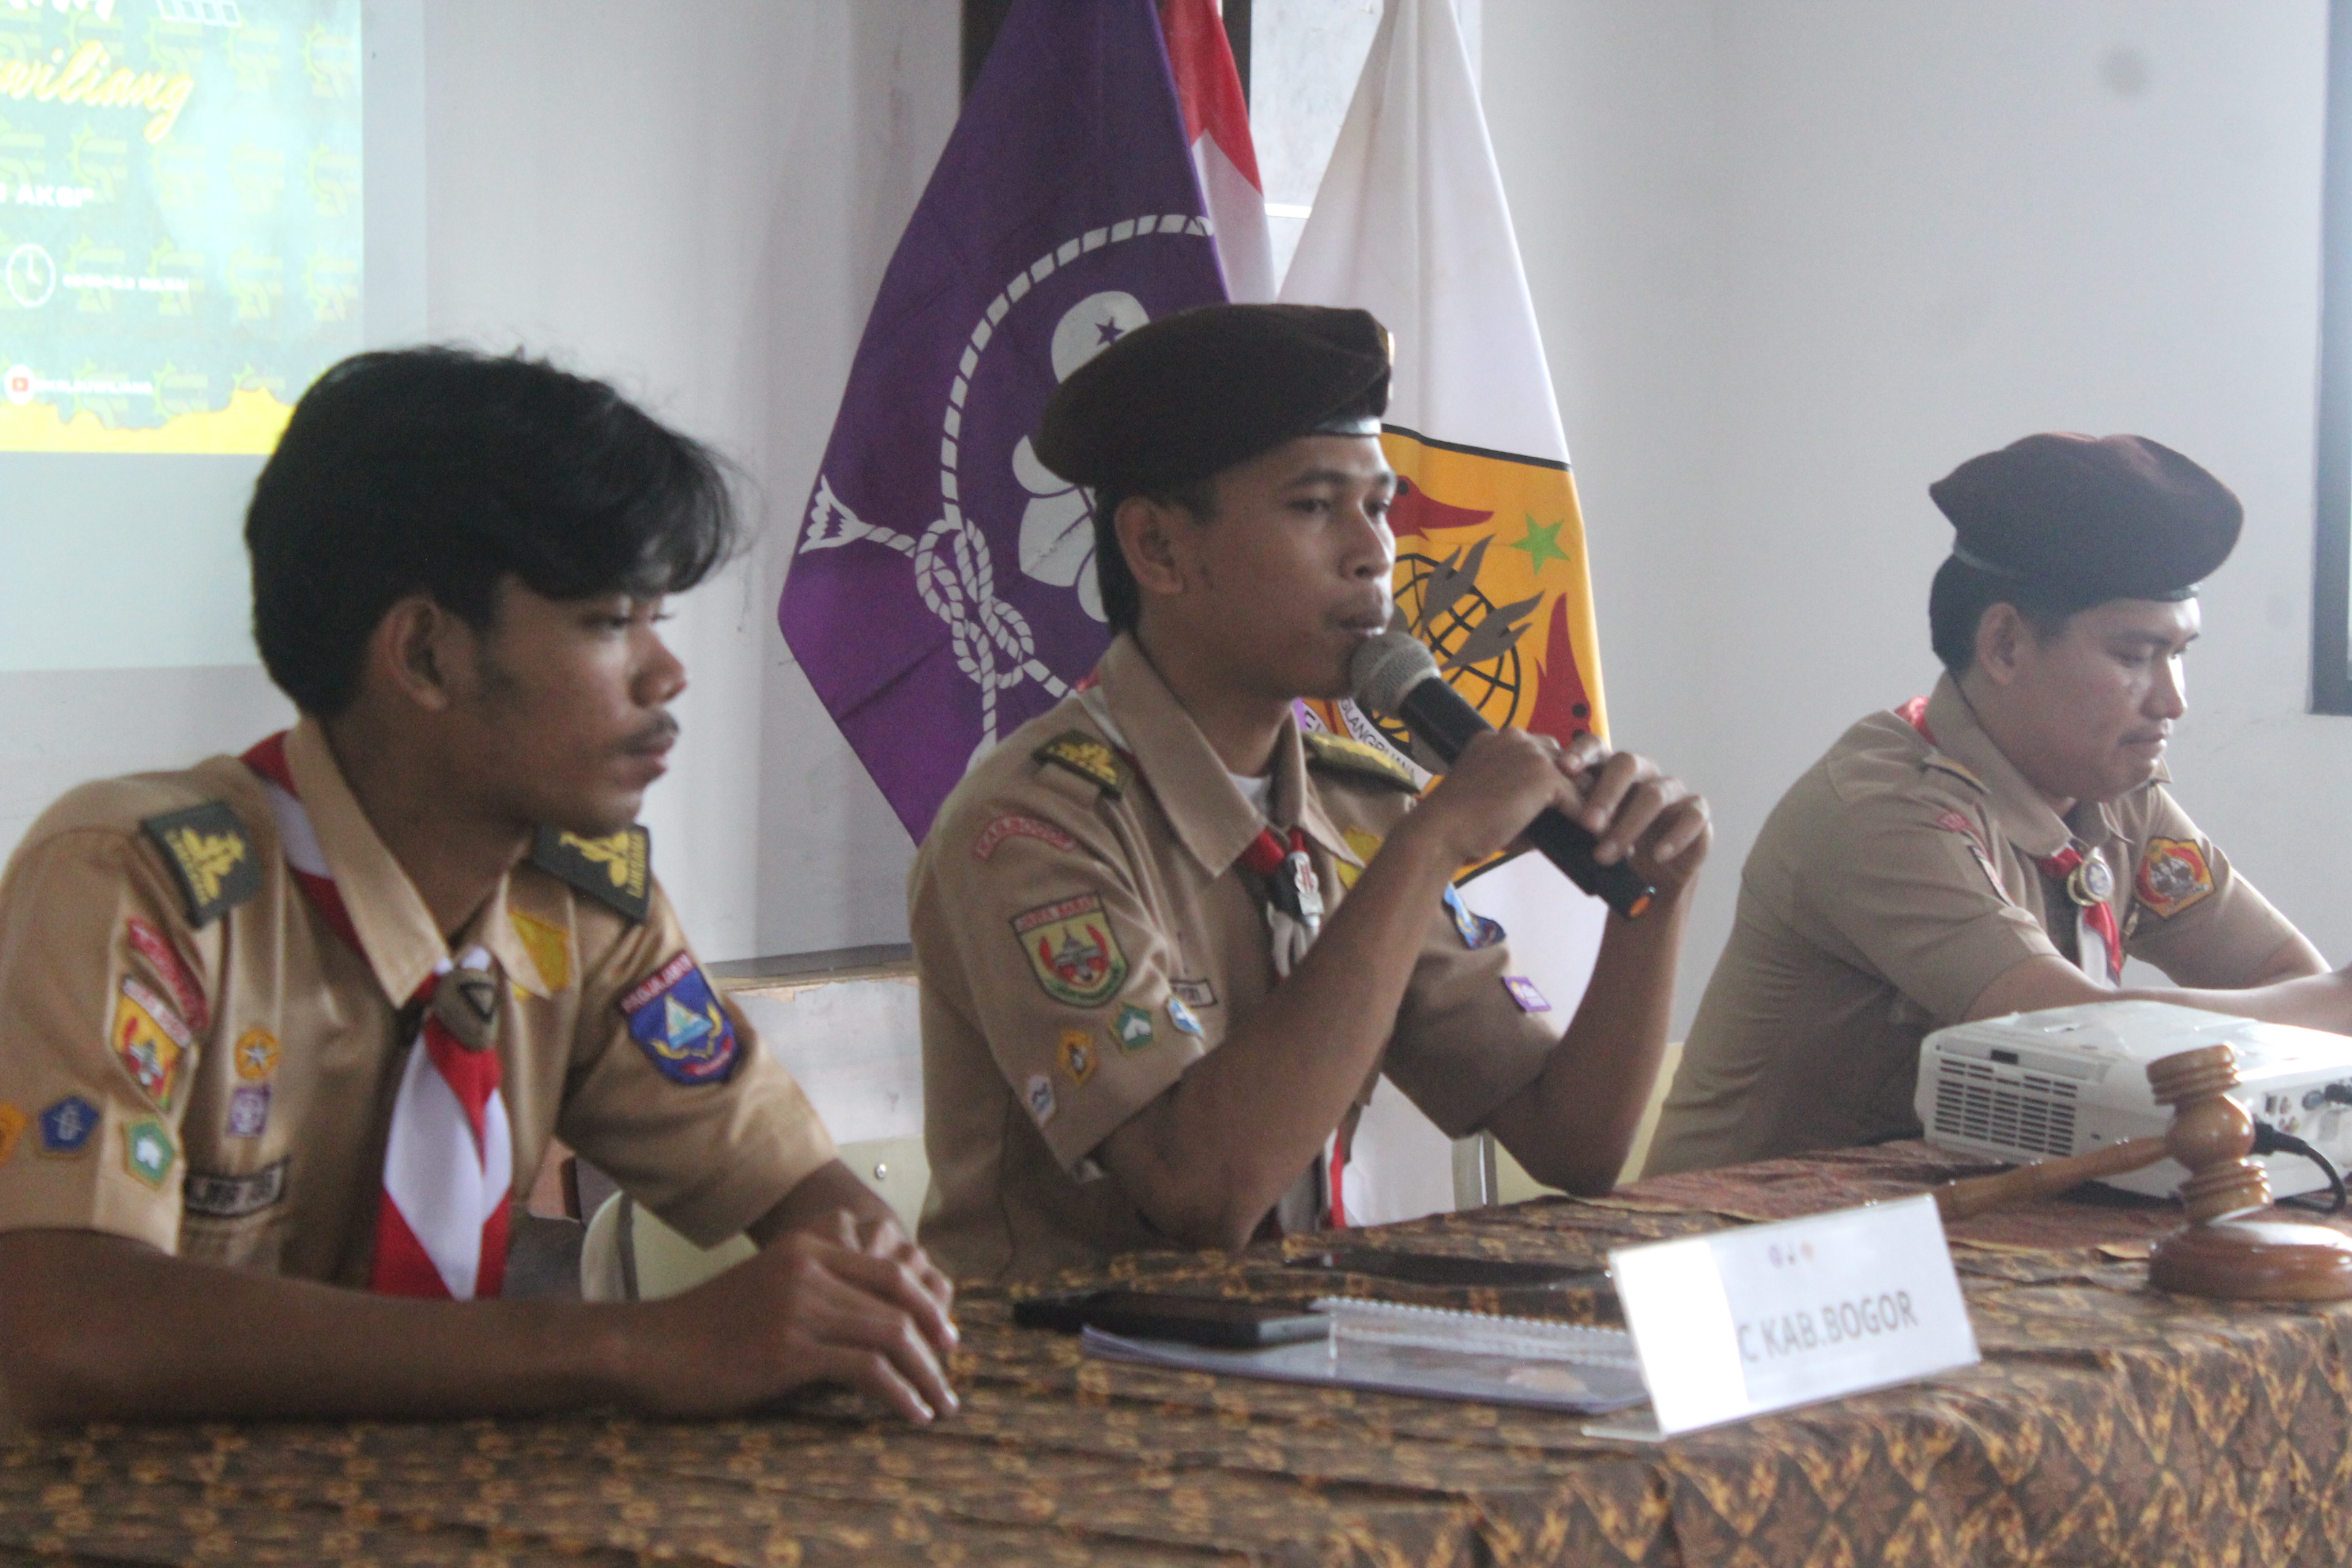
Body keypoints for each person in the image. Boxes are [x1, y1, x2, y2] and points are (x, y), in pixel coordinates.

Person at [0, 348, 958, 1429]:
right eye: (609, 623)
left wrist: (866, 1295)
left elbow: (803, 1199)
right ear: (424, 656)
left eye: (661, 619)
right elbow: (67, 1325)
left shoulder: (582, 910)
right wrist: (624, 1345)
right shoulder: (137, 887)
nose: (666, 674)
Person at [909, 304, 1712, 1284]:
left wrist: (1651, 898)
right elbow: (1200, 1190)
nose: (1373, 552)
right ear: (1159, 549)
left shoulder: (1356, 807)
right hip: (1046, 1382)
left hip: (1283, 1356)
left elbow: (1570, 1141)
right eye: (1314, 507)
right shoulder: (1032, 825)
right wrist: (1431, 848)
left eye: (1378, 507)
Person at [1646, 432, 2328, 1175]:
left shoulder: (2117, 792)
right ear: (2004, 644)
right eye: (2135, 656)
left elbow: (2286, 983)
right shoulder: (1879, 810)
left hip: (1956, 1227)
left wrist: (2329, 1004)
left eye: (2180, 654)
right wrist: (2334, 1001)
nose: (2172, 701)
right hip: (1756, 1254)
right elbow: (2074, 1035)